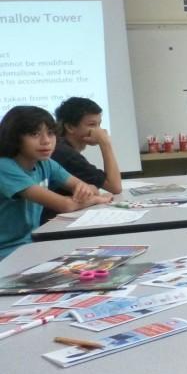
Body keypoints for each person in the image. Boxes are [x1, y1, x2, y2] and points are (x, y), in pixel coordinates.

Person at [0, 106, 112, 259]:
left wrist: (88, 190)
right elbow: (65, 205)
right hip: (6, 252)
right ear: (14, 137)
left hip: (30, 244)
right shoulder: (4, 166)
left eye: (50, 133)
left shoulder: (45, 163)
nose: (46, 141)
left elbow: (87, 188)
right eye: (34, 134)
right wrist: (95, 199)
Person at [43, 97, 122, 223]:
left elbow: (94, 189)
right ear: (70, 127)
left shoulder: (63, 147)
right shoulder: (65, 153)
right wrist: (105, 143)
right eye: (92, 125)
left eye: (99, 124)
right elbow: (115, 187)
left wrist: (93, 190)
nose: (99, 131)